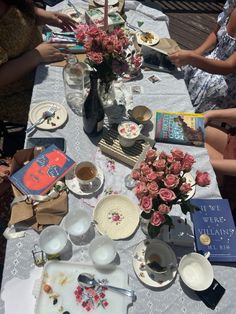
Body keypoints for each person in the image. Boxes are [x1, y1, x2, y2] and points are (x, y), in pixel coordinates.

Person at [0, 0, 77, 125]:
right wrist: (35, 57)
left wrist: (42, 15)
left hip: (40, 62)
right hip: (15, 93)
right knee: (68, 112)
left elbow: (21, 11)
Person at [169, 0, 236, 113]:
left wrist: (192, 58)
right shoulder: (232, 3)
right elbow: (215, 33)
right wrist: (196, 53)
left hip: (228, 78)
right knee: (179, 70)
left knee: (212, 87)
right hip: (212, 58)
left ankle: (190, 121)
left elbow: (228, 67)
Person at [204, 108, 236, 217]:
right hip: (232, 140)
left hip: (230, 175)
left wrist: (207, 163)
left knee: (186, 151)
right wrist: (210, 114)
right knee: (180, 128)